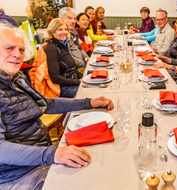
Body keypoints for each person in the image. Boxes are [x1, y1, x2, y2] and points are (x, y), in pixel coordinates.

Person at [0, 21, 114, 190]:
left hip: (40, 157)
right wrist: (53, 154)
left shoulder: (17, 78)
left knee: (103, 162)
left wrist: (88, 102)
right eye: (10, 48)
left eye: (21, 49)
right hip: (17, 175)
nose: (17, 54)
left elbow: (46, 104)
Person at [44, 18, 82, 98]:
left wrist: (83, 77)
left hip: (71, 82)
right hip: (63, 88)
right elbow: (55, 78)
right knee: (91, 91)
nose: (64, 32)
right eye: (60, 29)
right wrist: (78, 82)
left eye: (65, 29)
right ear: (52, 31)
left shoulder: (63, 44)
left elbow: (71, 67)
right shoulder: (52, 48)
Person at [59, 7, 89, 73]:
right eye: (69, 18)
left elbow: (79, 47)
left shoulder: (74, 32)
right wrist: (82, 63)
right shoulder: (61, 37)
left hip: (82, 65)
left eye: (74, 18)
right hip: (74, 69)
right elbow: (68, 57)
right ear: (61, 19)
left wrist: (85, 56)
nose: (73, 21)